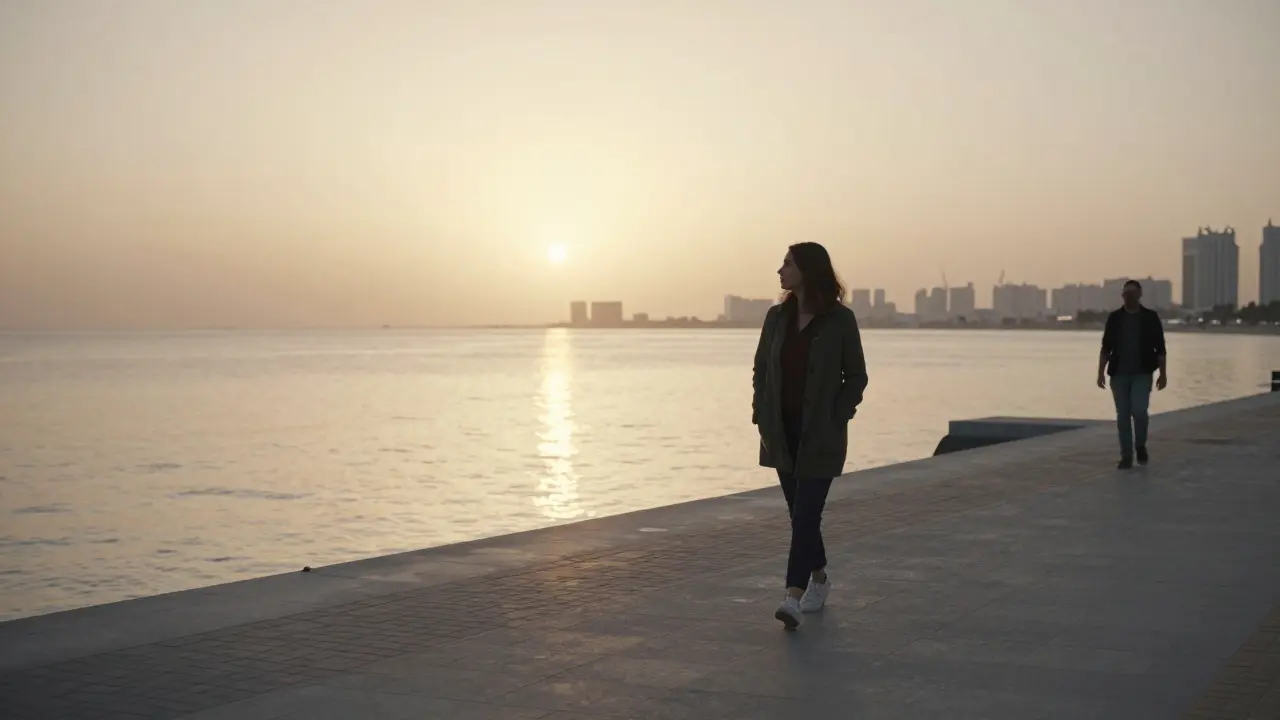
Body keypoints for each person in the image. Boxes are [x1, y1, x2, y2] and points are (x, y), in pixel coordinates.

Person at [752, 242, 869, 630]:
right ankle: (819, 578)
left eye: (787, 263)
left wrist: (837, 417)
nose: (780, 270)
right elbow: (761, 371)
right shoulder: (776, 318)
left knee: (805, 514)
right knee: (799, 516)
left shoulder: (839, 320)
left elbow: (856, 377)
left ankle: (792, 598)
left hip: (821, 436)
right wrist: (761, 417)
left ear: (807, 269)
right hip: (781, 434)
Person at [1097, 279, 1168, 469]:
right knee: (1122, 416)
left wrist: (1163, 374)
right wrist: (1100, 373)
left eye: (1132, 293)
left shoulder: (1150, 318)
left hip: (1142, 374)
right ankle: (1126, 456)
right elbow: (1105, 348)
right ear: (1122, 296)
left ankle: (1140, 445)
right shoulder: (1115, 319)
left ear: (1139, 295)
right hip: (1119, 375)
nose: (1129, 297)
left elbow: (1160, 348)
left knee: (1139, 411)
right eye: (1126, 293)